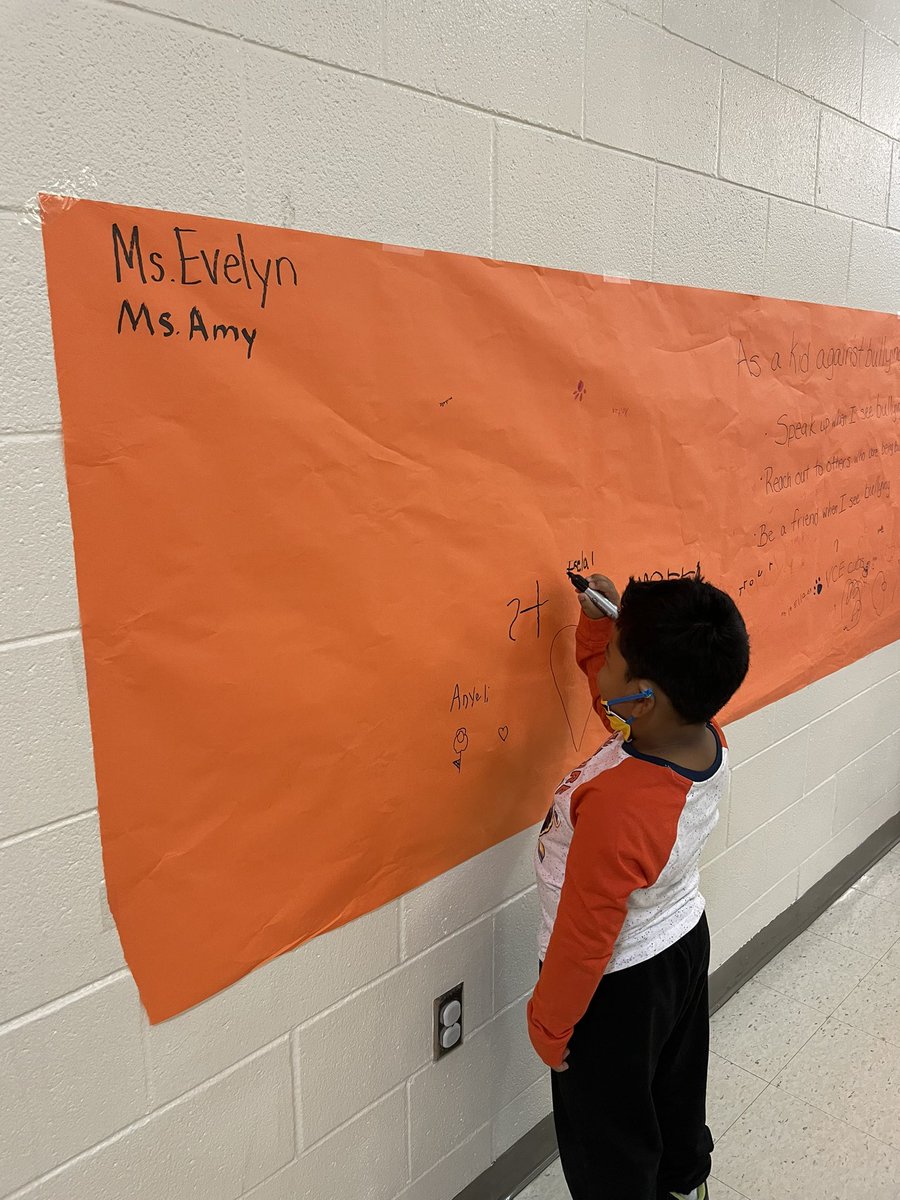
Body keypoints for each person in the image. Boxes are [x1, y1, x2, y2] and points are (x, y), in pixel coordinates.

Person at [527, 572, 750, 1200]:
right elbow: (623, 709)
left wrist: (550, 1023)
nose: (603, 673)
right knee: (675, 1095)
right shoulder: (699, 735)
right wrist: (604, 628)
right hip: (680, 944)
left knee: (610, 1144)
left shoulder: (622, 810)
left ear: (645, 697)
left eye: (614, 655)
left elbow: (584, 932)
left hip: (613, 989)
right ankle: (686, 1185)